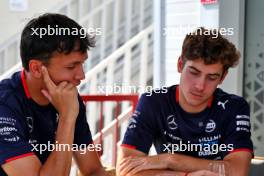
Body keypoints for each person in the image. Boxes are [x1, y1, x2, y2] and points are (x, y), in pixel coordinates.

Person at [117, 27, 253, 176]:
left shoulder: (234, 107)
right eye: (194, 73)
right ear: (180, 65)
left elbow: (238, 171)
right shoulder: (153, 101)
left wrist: (170, 160)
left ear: (223, 77)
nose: (200, 86)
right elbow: (125, 169)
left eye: (212, 77)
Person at [0, 13, 107, 176]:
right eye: (71, 67)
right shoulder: (5, 104)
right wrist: (67, 117)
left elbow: (93, 170)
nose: (81, 75)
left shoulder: (68, 97)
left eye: (82, 64)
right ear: (36, 68)